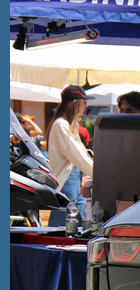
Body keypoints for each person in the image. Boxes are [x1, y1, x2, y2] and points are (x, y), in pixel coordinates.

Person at [81, 91, 140, 199]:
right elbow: (113, 173)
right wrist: (96, 183)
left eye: (130, 110)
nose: (124, 114)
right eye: (121, 110)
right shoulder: (117, 140)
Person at [45, 85, 94, 226]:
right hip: (66, 180)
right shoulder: (61, 125)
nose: (86, 107)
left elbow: (79, 153)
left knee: (76, 224)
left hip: (71, 178)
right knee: (64, 227)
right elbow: (76, 154)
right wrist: (98, 173)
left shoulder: (67, 124)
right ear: (75, 103)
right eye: (84, 102)